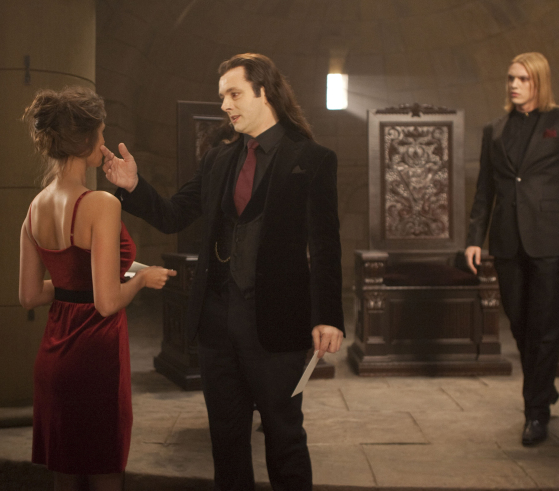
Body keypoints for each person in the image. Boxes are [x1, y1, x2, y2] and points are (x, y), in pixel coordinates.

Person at [103, 53, 344, 490]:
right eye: (222, 97)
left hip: (277, 326)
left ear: (264, 92)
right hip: (217, 325)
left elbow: (326, 245)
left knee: (284, 439)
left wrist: (328, 316)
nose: (225, 105)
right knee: (227, 443)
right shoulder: (218, 159)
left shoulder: (312, 158)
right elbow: (174, 214)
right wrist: (133, 186)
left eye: (234, 94)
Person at [18, 86, 176, 491]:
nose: (105, 141)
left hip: (53, 356)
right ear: (86, 140)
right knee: (104, 468)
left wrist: (75, 286)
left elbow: (30, 295)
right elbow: (106, 303)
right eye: (101, 133)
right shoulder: (102, 203)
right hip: (94, 356)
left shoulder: (35, 207)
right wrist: (141, 279)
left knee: (66, 474)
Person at [465, 52, 559, 446]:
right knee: (521, 325)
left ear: (539, 81)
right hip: (508, 242)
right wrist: (474, 238)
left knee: (545, 327)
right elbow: (485, 189)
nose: (514, 85)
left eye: (522, 79)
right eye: (510, 78)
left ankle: (536, 412)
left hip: (553, 242)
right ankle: (544, 384)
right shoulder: (494, 129)